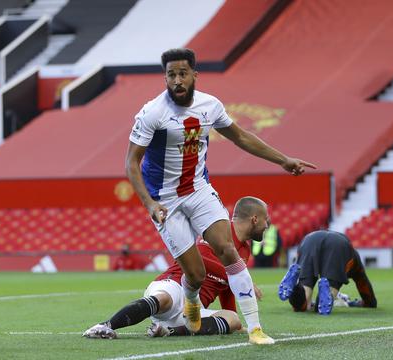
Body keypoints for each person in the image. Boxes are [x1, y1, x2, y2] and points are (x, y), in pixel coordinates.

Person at [125, 48, 316, 344]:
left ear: (194, 75)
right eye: (171, 75)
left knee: (227, 248)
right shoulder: (152, 113)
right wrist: (150, 203)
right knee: (196, 275)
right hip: (166, 199)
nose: (177, 80)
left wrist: (282, 160)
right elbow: (131, 163)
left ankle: (254, 329)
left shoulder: (209, 106)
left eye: (182, 74)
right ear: (165, 77)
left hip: (199, 190)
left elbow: (240, 136)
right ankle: (191, 303)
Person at [83, 196, 270, 339]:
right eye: (265, 220)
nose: (267, 225)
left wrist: (236, 288)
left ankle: (167, 331)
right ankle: (105, 326)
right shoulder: (218, 231)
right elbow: (200, 259)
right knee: (164, 299)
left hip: (193, 311)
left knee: (234, 320)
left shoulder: (245, 249)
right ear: (254, 219)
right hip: (175, 285)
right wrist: (238, 275)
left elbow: (227, 289)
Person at [278, 230, 377, 315]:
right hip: (339, 245)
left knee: (303, 305)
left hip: (309, 240)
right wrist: (369, 302)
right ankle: (328, 291)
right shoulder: (354, 257)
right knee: (323, 303)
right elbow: (363, 284)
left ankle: (295, 287)